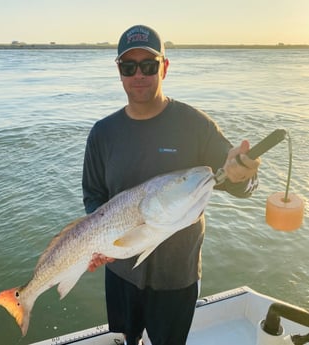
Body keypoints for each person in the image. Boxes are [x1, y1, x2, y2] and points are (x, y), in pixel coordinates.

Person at [82, 24, 260, 345]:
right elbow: (94, 196)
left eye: (149, 66)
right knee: (126, 337)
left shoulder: (195, 125)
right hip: (121, 271)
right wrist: (99, 240)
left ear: (164, 67)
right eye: (129, 66)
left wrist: (242, 175)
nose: (139, 75)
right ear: (119, 72)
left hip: (177, 275)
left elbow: (238, 182)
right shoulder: (102, 133)